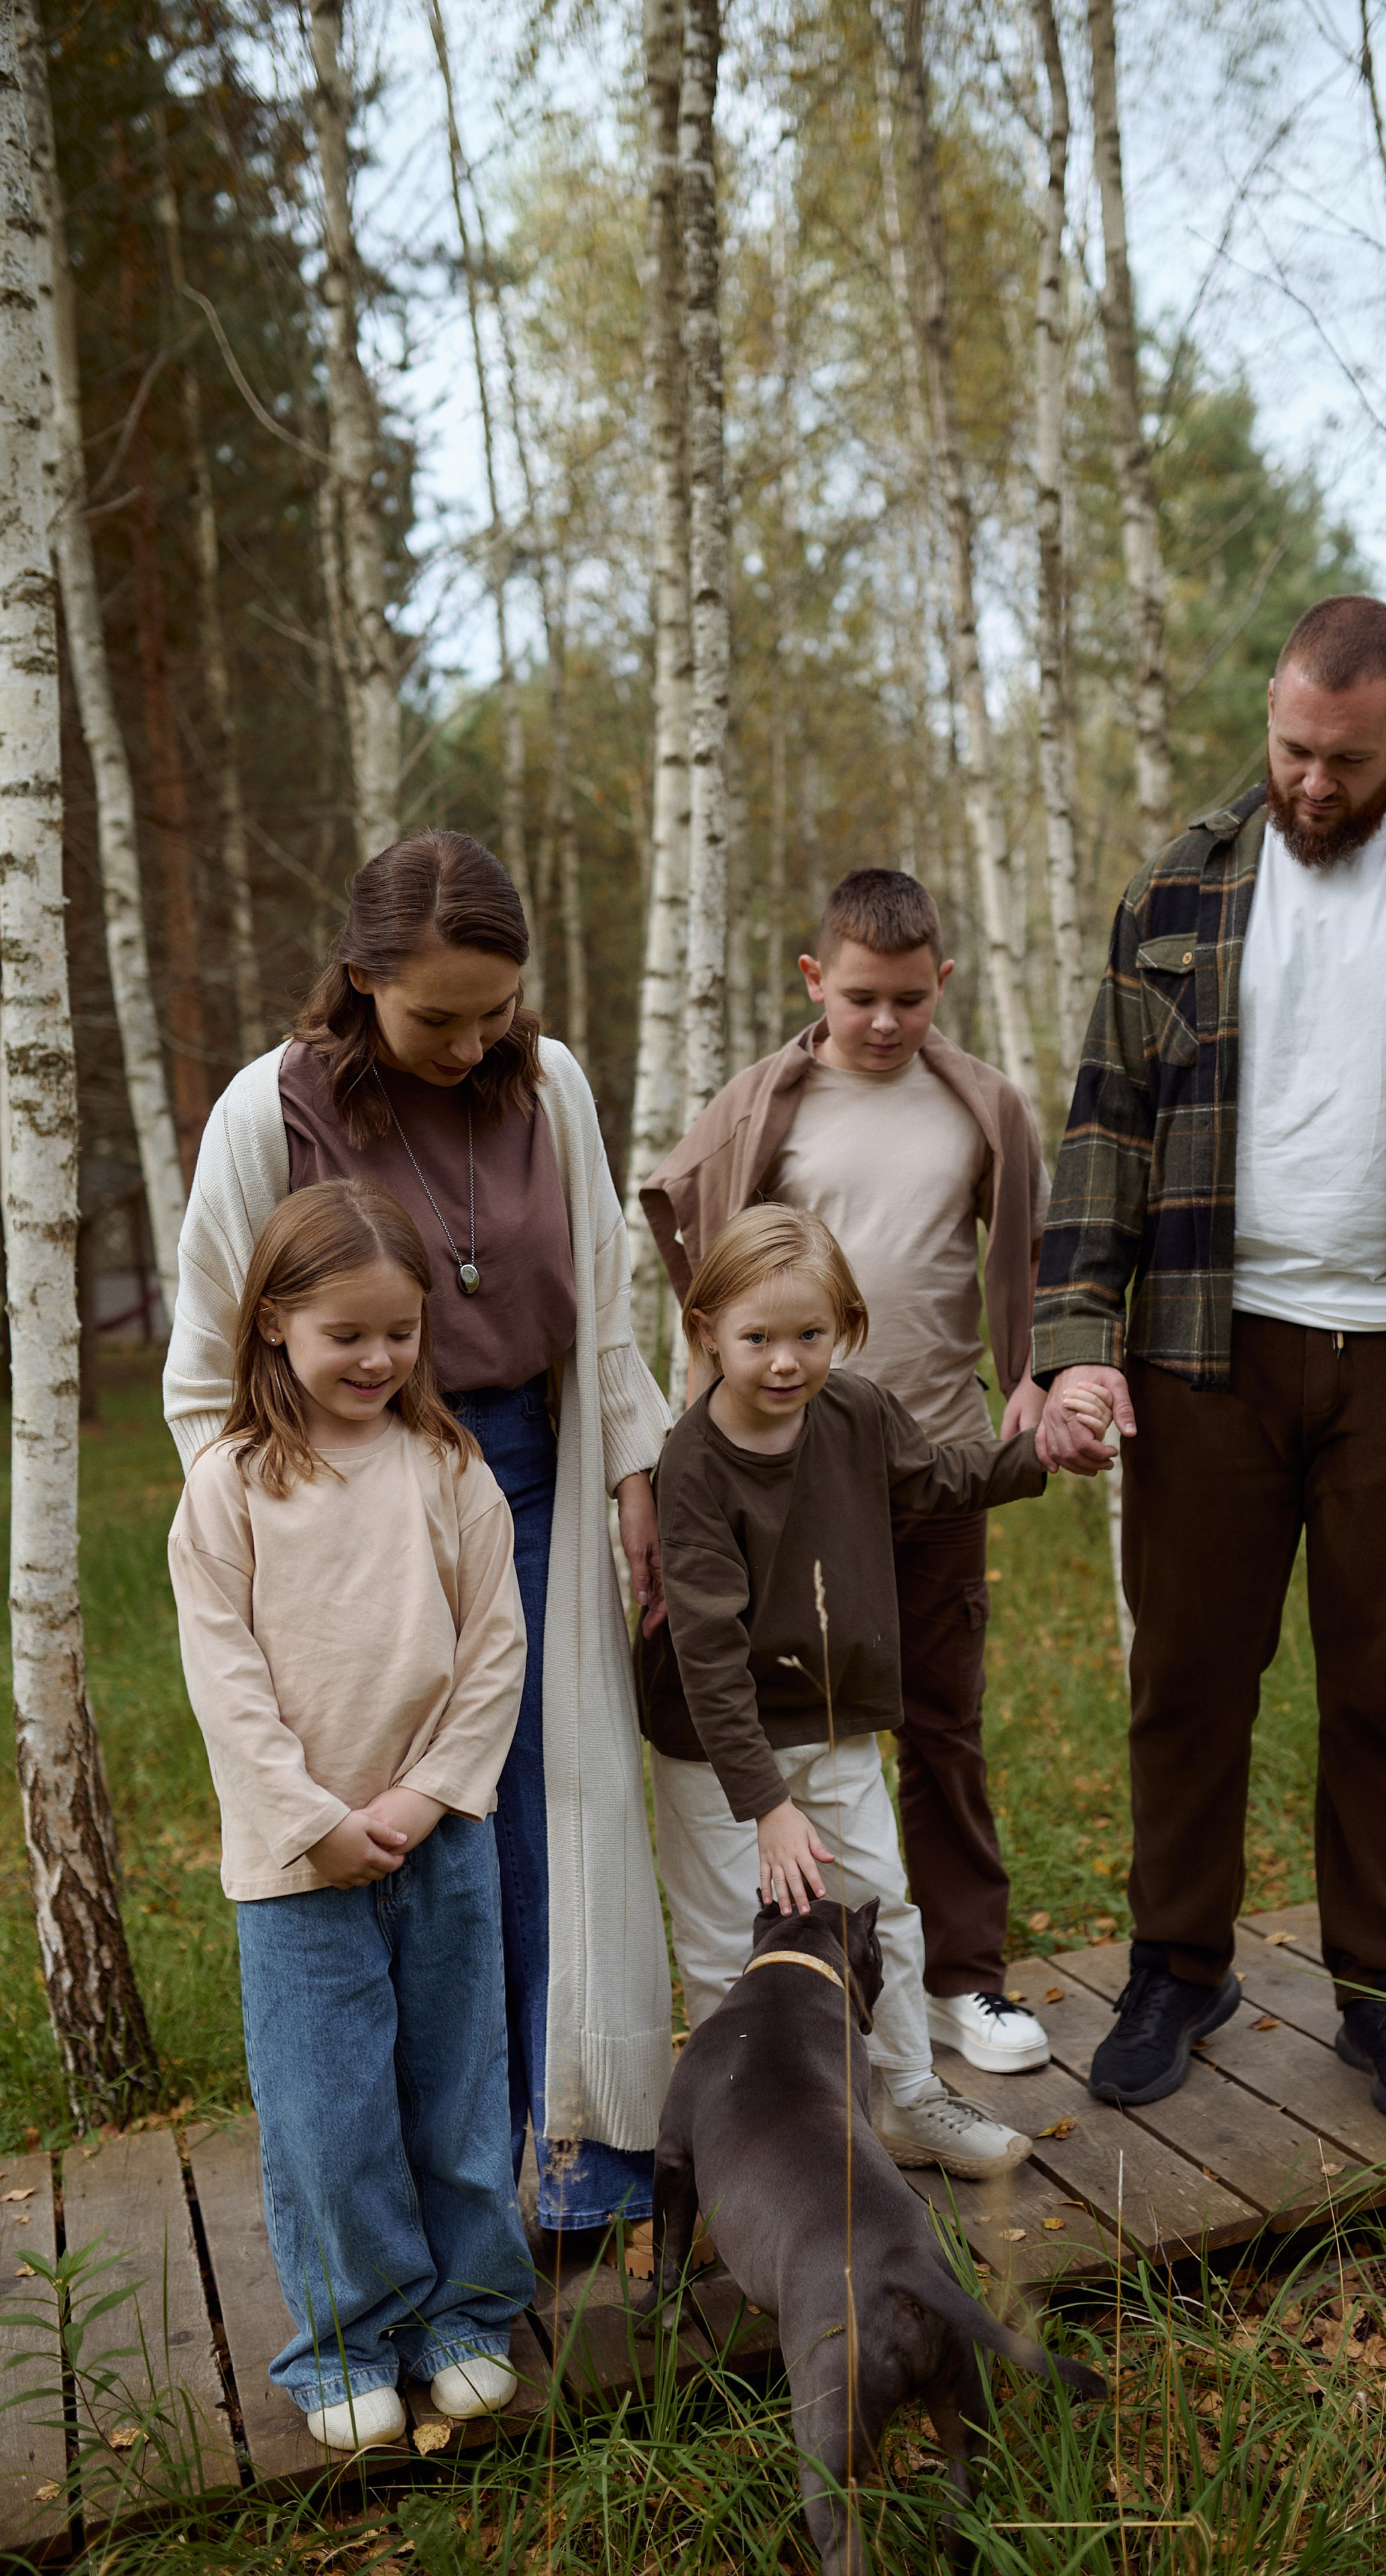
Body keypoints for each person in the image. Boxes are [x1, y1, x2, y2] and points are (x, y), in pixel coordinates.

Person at [1033, 595, 1386, 2123]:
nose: (1308, 783)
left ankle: (1381, 1989)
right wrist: (1076, 1341)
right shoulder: (1176, 888)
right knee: (1185, 1679)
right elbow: (1102, 1131)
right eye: (1290, 747)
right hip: (1199, 1355)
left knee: (1384, 1692)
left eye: (1343, 761)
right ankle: (1178, 1966)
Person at [164, 831, 674, 2245]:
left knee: (540, 1821)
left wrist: (631, 1472)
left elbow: (607, 1304)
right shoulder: (268, 1116)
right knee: (397, 1846)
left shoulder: (553, 1085)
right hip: (341, 1508)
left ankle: (572, 2158)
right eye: (433, 1015)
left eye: (492, 1008)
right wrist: (284, 1542)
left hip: (531, 1478)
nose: (470, 1041)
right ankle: (410, 2204)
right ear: (361, 979)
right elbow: (209, 1371)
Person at [641, 870, 1053, 2079]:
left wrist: (1036, 1384)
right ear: (818, 981)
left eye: (912, 1000)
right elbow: (687, 1220)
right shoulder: (767, 1102)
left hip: (932, 1456)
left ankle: (961, 1985)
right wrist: (731, 1383)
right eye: (863, 996)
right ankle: (784, 2006)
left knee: (941, 1725)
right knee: (784, 1722)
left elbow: (1025, 1252)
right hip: (788, 1478)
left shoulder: (981, 1106)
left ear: (944, 988)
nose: (886, 1021)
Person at [168, 1179, 535, 2451]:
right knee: (330, 2112)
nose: (378, 1357)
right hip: (297, 1859)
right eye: (346, 1334)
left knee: (457, 2089)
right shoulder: (226, 1484)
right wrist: (312, 1818)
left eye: (400, 1331)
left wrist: (428, 1795)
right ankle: (344, 2337)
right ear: (274, 1323)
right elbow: (223, 1677)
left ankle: (467, 2313)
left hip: (442, 1836)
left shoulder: (447, 1465)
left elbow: (494, 1649)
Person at [638, 1204, 1074, 2178]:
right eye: (757, 1338)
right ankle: (745, 2139)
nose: (785, 1362)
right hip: (716, 1751)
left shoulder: (859, 1413)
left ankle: (909, 2096)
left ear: (845, 1328)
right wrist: (768, 1807)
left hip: (833, 1725)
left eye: (810, 1336)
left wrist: (1036, 1453)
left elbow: (937, 1478)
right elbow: (708, 1655)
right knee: (726, 1950)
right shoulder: (693, 1465)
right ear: (707, 1331)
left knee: (881, 1909)